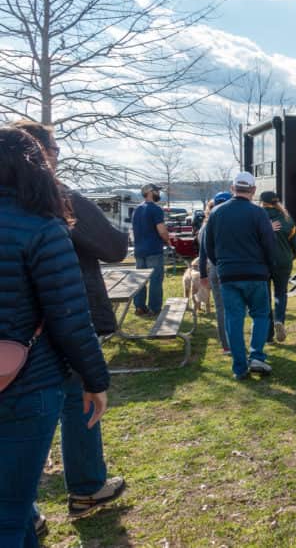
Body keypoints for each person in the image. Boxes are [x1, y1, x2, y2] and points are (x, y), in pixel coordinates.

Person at [10, 121, 128, 529]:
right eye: (54, 150)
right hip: (55, 327)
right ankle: (85, 485)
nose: (58, 156)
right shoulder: (57, 203)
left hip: (13, 340)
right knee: (78, 401)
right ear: (40, 156)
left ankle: (26, 512)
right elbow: (115, 247)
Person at [201, 173, 276, 379]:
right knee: (260, 315)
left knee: (233, 319)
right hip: (256, 273)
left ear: (233, 188)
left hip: (228, 274)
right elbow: (269, 243)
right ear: (252, 190)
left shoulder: (216, 213)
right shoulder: (258, 213)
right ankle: (257, 356)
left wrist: (222, 265)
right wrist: (270, 267)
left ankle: (239, 367)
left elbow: (208, 246)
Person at [260, 191, 296, 343]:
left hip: (262, 263)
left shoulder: (257, 216)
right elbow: (294, 243)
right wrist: (292, 256)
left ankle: (268, 335)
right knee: (280, 294)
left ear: (262, 202)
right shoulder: (287, 218)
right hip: (283, 261)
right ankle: (279, 320)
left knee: (264, 298)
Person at [198, 192, 232, 353]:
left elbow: (202, 252)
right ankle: (231, 342)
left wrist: (204, 274)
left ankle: (227, 345)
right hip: (226, 269)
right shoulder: (227, 223)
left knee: (221, 308)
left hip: (214, 269)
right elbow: (203, 252)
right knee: (230, 308)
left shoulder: (206, 225)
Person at [131, 183, 171, 316]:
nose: (159, 194)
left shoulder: (137, 209)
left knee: (140, 281)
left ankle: (139, 307)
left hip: (139, 250)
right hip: (153, 249)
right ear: (150, 192)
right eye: (157, 191)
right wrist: (168, 240)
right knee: (155, 280)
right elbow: (161, 230)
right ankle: (154, 309)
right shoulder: (156, 209)